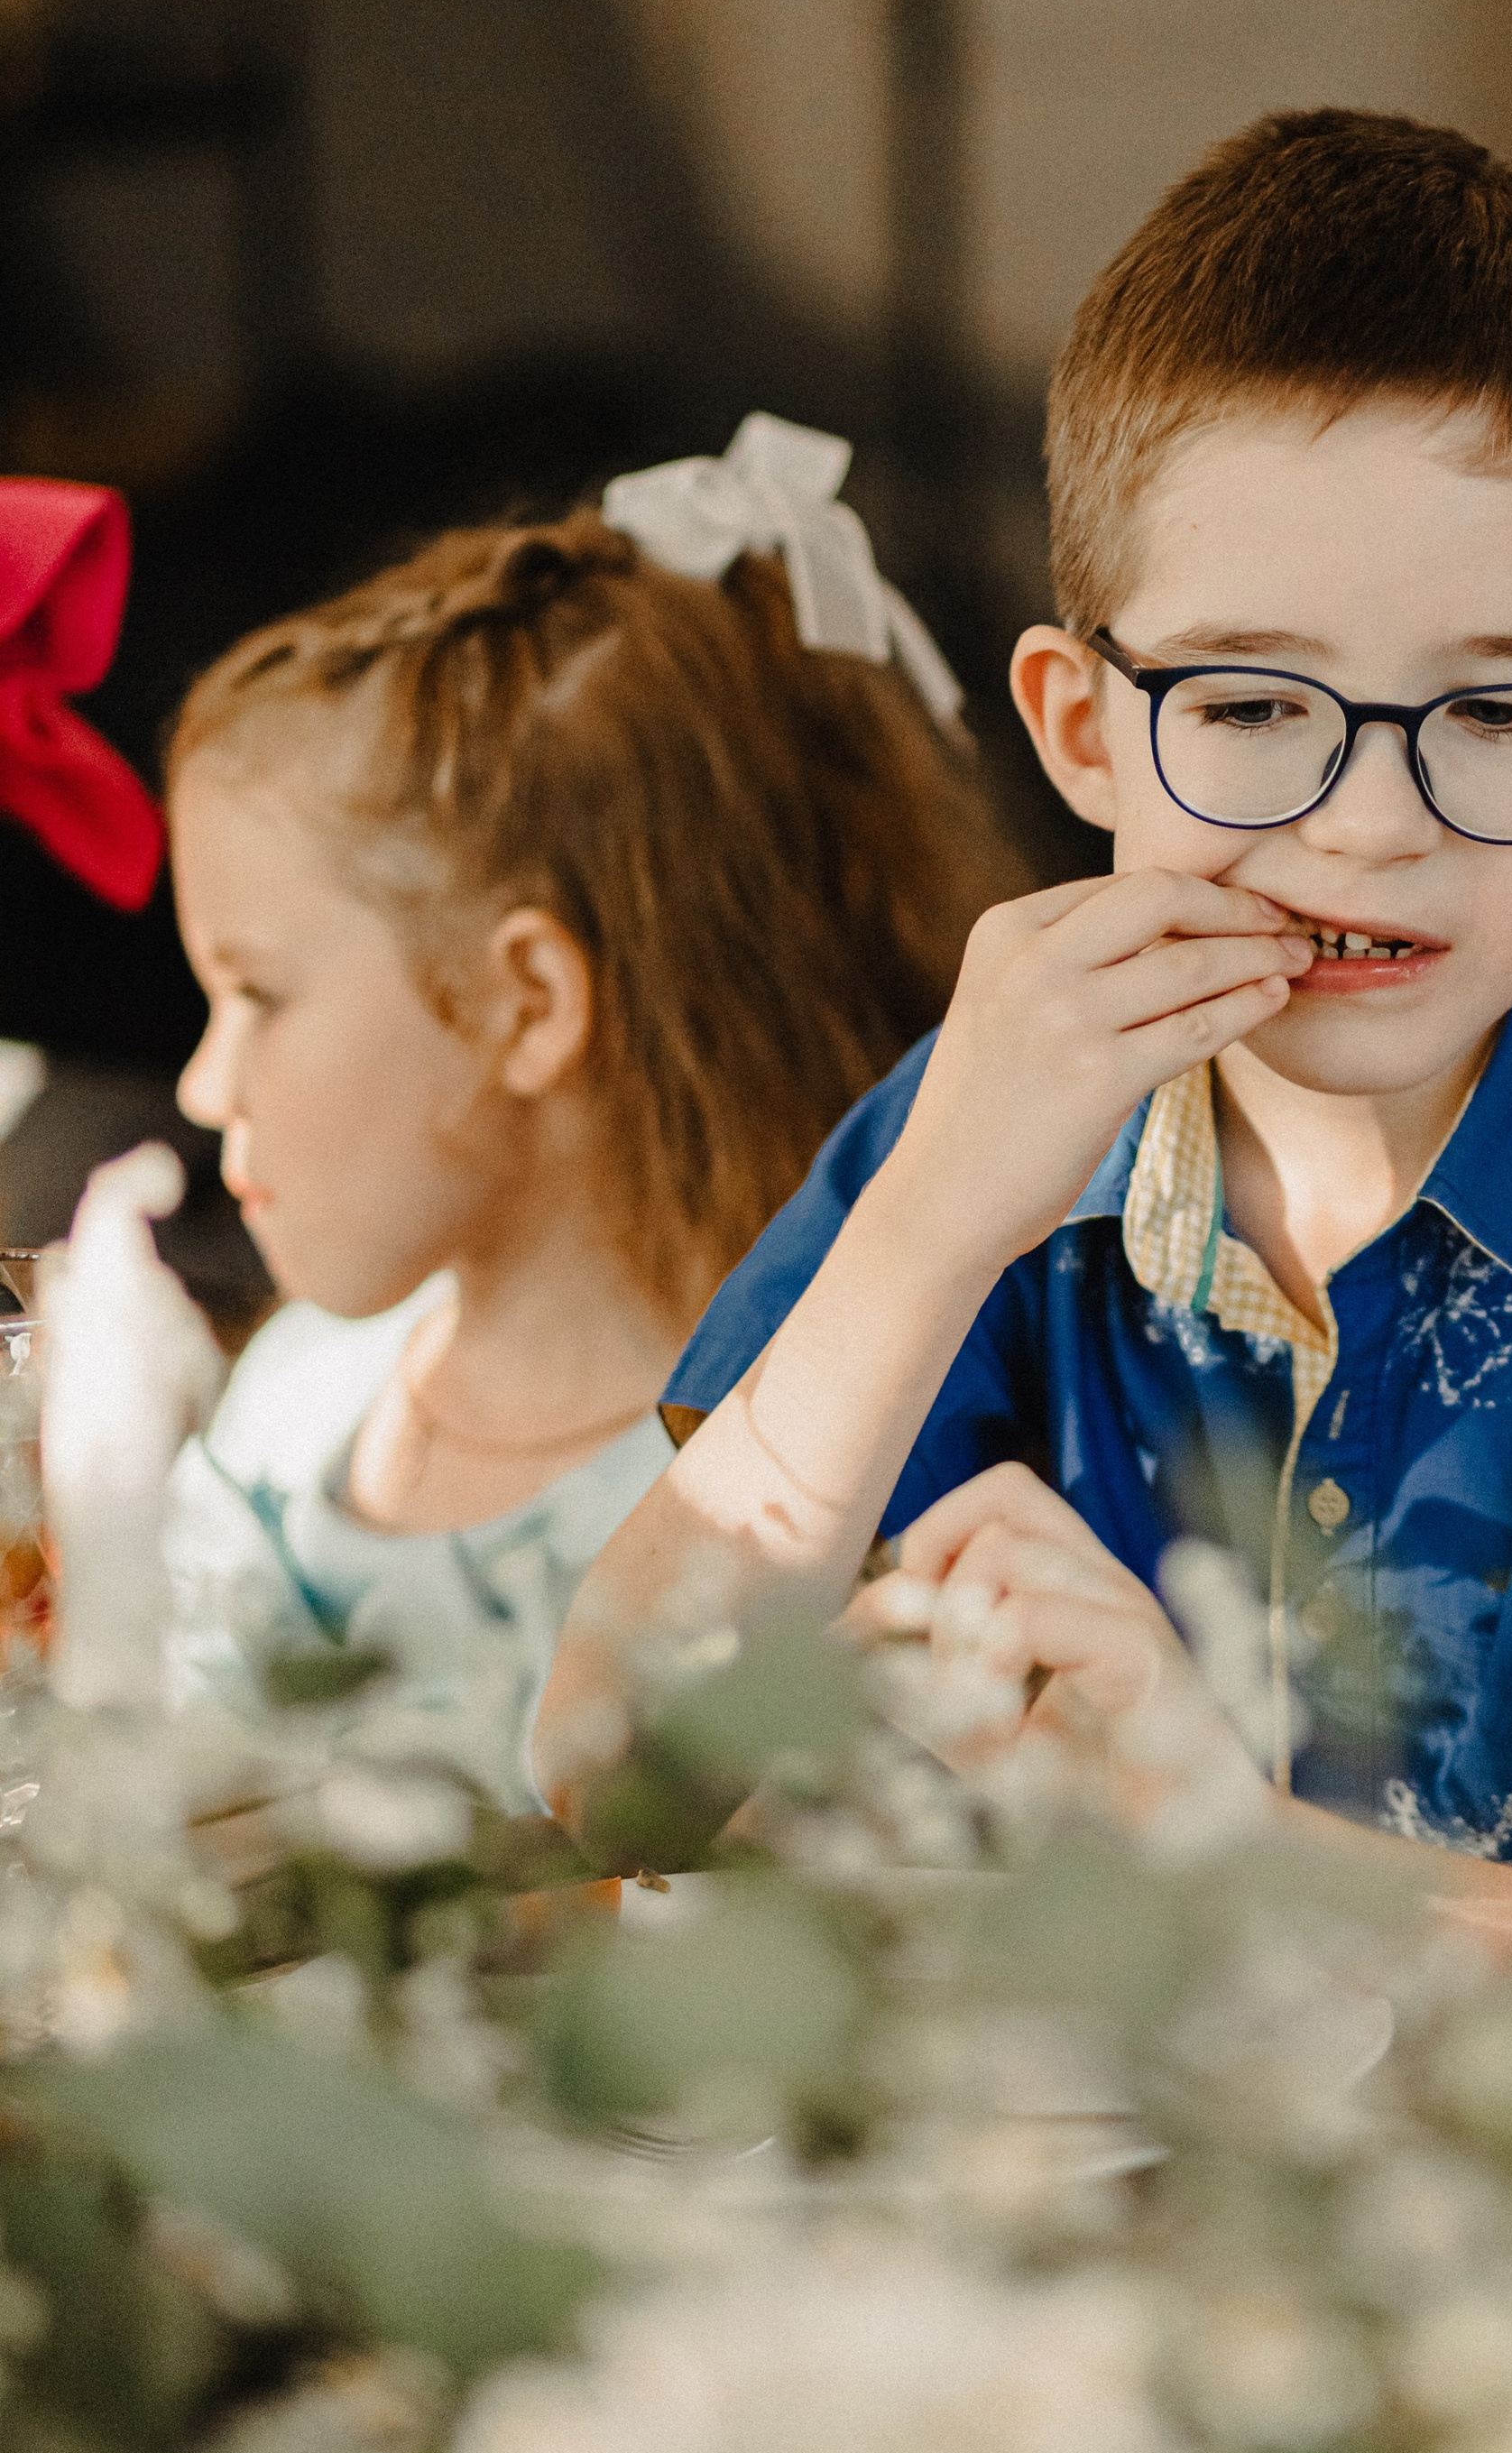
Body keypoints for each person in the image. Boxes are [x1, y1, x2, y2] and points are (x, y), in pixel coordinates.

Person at [537, 116, 1512, 2011]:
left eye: (1498, 709)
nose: (1369, 825)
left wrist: (1221, 1842)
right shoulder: (993, 1129)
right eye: (1244, 702)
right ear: (1075, 724)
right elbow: (616, 1775)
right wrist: (924, 1230)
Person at [162, 417, 1016, 1806]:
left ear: (526, 1004)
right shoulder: (286, 1409)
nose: (205, 1084)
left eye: (257, 993)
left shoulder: (800, 1488)